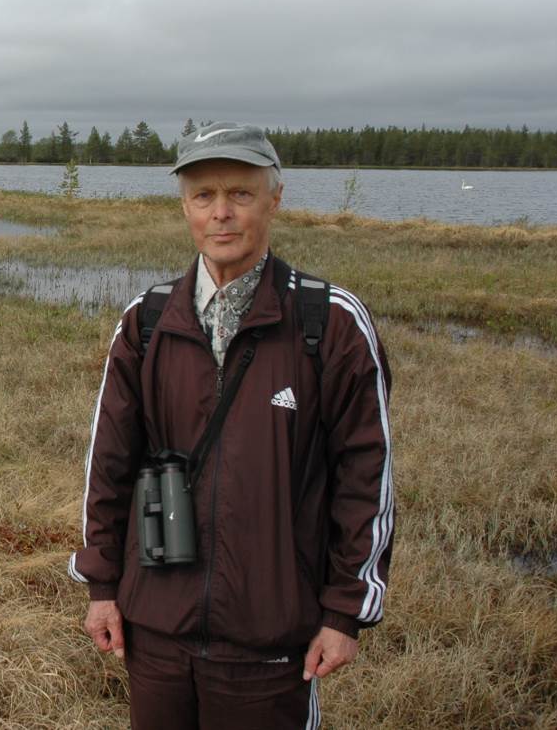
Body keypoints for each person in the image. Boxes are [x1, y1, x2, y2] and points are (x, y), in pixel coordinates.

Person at [70, 123, 394, 729]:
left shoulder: (329, 324)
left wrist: (345, 612)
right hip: (157, 632)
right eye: (203, 196)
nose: (221, 213)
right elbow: (108, 463)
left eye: (241, 194)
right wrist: (101, 586)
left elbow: (365, 477)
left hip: (271, 642)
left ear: (275, 198)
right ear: (184, 205)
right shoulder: (148, 321)